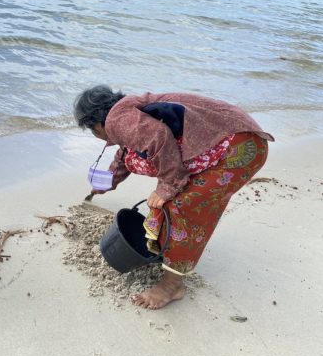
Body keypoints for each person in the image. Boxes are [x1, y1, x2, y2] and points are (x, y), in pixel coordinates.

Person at [74, 86, 274, 309]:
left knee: (179, 205)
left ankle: (172, 286)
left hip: (239, 147)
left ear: (97, 123)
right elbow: (128, 150)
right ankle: (166, 252)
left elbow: (158, 137)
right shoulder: (127, 112)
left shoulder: (116, 120)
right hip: (228, 141)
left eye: (93, 131)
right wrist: (109, 182)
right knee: (168, 196)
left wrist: (166, 186)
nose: (101, 138)